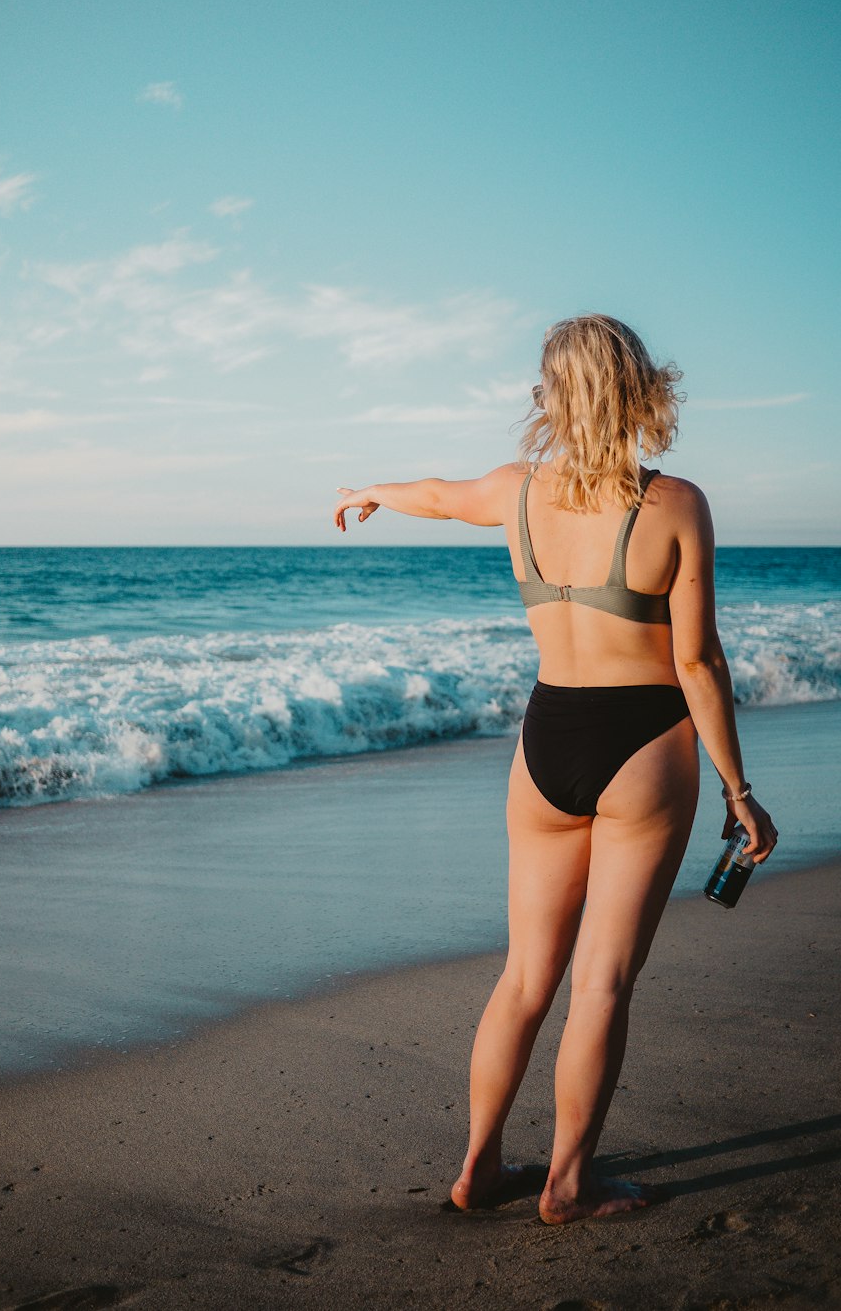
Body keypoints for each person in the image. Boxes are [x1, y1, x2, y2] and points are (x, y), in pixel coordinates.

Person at [332, 313, 778, 1224]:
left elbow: (440, 494)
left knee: (526, 975)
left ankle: (478, 1166)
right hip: (644, 747)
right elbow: (698, 664)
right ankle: (569, 1184)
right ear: (639, 387)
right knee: (602, 981)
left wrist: (372, 488)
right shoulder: (676, 505)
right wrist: (739, 790)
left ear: (553, 394)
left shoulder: (515, 492)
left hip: (545, 744)